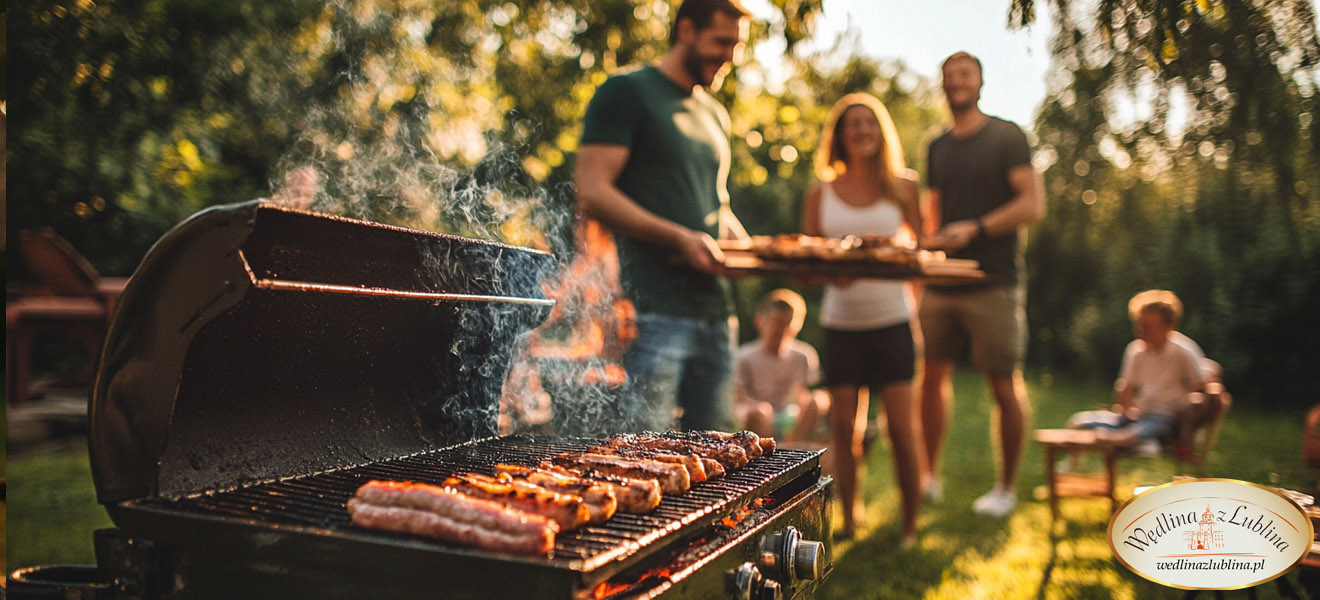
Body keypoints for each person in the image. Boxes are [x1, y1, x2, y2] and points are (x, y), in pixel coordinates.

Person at [574, 0, 750, 433]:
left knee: (721, 466)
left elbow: (716, 208)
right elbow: (593, 191)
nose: (730, 56)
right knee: (648, 457)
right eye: (721, 42)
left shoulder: (714, 113)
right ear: (686, 30)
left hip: (716, 314)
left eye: (737, 46)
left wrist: (774, 257)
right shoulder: (627, 92)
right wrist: (679, 238)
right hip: (652, 312)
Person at [919, 51, 1046, 518]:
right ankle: (929, 477)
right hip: (941, 282)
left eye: (964, 74)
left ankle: (1006, 489)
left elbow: (1032, 204)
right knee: (930, 380)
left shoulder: (1006, 136)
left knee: (1003, 383)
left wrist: (975, 228)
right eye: (948, 74)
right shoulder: (937, 146)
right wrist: (922, 255)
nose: (956, 82)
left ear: (980, 81)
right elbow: (933, 214)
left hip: (994, 281)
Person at [802, 92, 925, 544]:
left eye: (868, 123)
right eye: (852, 124)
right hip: (841, 325)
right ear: (839, 135)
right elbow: (809, 265)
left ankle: (909, 526)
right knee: (843, 430)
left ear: (881, 131)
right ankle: (851, 517)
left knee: (902, 430)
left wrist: (910, 300)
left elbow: (921, 256)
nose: (861, 131)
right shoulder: (820, 191)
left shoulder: (904, 185)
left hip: (894, 322)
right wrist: (835, 273)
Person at [1063, 293, 1205, 456]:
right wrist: (1124, 408)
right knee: (1078, 422)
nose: (1141, 331)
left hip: (1164, 418)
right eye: (1139, 324)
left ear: (1169, 326)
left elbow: (1198, 388)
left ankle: (1122, 441)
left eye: (1148, 326)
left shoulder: (1184, 351)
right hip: (1138, 415)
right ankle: (1073, 465)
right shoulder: (1135, 350)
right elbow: (1126, 387)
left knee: (1133, 434)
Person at [733, 289, 828, 442]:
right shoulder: (744, 356)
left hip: (791, 415)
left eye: (787, 324)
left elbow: (806, 392)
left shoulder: (804, 354)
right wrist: (762, 408)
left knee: (821, 399)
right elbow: (739, 398)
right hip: (758, 413)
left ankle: (795, 448)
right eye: (775, 323)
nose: (781, 330)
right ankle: (765, 451)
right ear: (760, 321)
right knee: (762, 412)